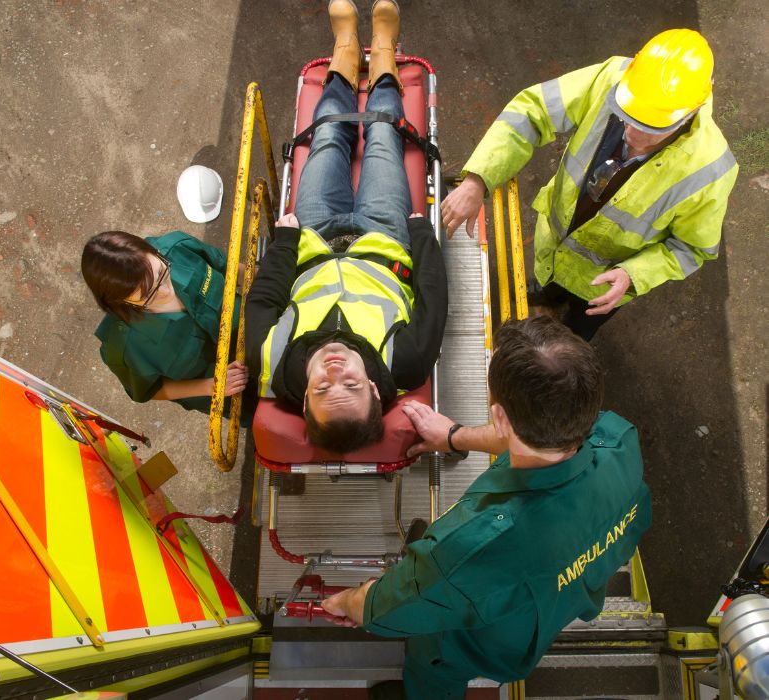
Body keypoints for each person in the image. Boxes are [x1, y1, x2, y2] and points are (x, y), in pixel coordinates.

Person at [322, 316, 652, 698]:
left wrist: (347, 600)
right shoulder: (619, 442)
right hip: (562, 599)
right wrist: (453, 437)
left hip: (482, 644)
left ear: (499, 417)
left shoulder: (476, 546)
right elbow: (545, 440)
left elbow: (380, 609)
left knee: (435, 666)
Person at [441, 29, 738, 340]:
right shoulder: (612, 76)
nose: (632, 134)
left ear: (692, 112)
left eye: (651, 127)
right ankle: (547, 292)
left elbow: (691, 248)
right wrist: (477, 179)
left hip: (601, 285)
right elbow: (533, 111)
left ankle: (570, 330)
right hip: (554, 246)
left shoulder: (711, 171)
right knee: (547, 282)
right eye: (627, 115)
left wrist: (633, 275)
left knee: (575, 333)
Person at [244, 0, 448, 452]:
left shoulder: (272, 363)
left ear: (303, 404)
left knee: (329, 136)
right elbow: (435, 296)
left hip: (313, 236)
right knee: (381, 138)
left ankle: (344, 51)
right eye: (352, 387)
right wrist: (420, 234)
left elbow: (263, 298)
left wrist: (286, 241)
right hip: (383, 236)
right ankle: (384, 51)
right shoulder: (406, 363)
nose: (335, 371)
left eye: (321, 389)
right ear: (375, 391)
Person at [82, 230, 253, 421]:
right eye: (148, 294)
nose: (166, 291)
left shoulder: (178, 248)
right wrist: (211, 386)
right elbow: (150, 390)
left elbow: (228, 267)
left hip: (259, 329)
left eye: (162, 273)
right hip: (236, 389)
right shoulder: (124, 349)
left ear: (154, 253)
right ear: (119, 302)